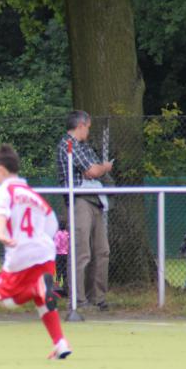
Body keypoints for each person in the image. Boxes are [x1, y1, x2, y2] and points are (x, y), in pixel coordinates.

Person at [0, 144, 72, 360]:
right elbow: (52, 225)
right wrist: (38, 242)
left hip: (20, 253)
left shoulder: (2, 192)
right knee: (42, 300)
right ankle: (60, 343)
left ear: (0, 169)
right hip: (45, 252)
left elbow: (0, 214)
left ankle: (37, 287)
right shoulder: (34, 195)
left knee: (4, 299)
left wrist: (1, 233)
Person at [56, 110, 114, 311]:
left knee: (102, 250)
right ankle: (78, 300)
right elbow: (93, 170)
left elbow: (94, 169)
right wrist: (103, 168)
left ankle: (97, 298)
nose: (88, 131)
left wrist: (98, 169)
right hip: (79, 200)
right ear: (81, 125)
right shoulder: (67, 144)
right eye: (88, 127)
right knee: (81, 251)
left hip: (95, 200)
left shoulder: (84, 147)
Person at [53, 218, 69, 293]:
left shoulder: (58, 234)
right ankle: (64, 286)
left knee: (58, 271)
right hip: (65, 254)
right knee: (64, 271)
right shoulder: (67, 234)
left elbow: (56, 245)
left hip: (59, 254)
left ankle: (58, 287)